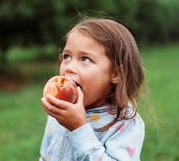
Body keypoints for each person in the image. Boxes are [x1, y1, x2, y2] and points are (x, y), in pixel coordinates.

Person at [39, 17, 147, 161]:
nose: (69, 67)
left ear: (116, 73)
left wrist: (79, 129)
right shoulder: (60, 110)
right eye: (67, 56)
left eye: (85, 59)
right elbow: (45, 156)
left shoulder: (124, 122)